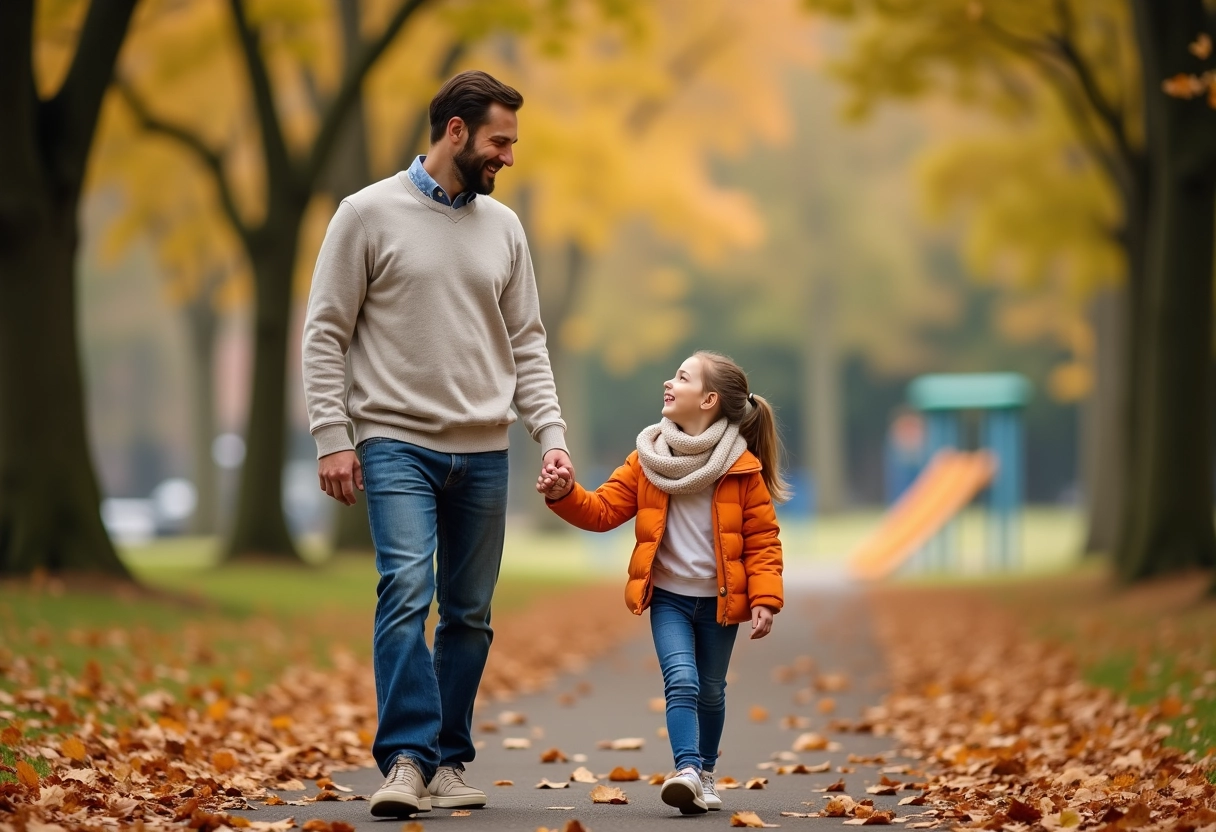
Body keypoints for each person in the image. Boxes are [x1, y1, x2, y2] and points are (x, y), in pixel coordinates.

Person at [301, 70, 573, 819]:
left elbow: (528, 342)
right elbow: (326, 330)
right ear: (455, 131)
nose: (509, 156)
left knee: (469, 614)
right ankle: (406, 760)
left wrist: (551, 435)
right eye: (499, 141)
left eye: (512, 142)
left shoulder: (505, 228)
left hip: (485, 451)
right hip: (395, 441)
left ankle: (449, 759)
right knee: (406, 591)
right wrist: (334, 436)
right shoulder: (365, 214)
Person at [537, 350, 785, 815]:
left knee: (711, 690)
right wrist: (564, 493)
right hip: (669, 597)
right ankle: (687, 769)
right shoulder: (648, 458)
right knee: (682, 681)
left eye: (683, 377)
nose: (669, 383)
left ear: (709, 399)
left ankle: (705, 773)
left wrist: (765, 598)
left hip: (719, 603)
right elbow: (603, 510)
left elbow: (763, 540)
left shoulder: (742, 468)